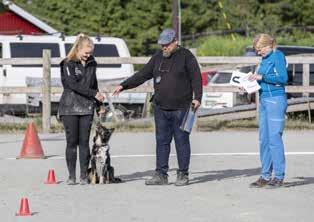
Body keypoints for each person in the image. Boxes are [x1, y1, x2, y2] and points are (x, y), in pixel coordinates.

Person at [113, 28, 202, 186]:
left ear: (175, 42)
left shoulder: (187, 56)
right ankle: (161, 174)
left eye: (167, 44)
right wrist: (123, 85)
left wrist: (197, 98)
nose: (164, 48)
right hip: (161, 107)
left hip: (182, 107)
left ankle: (183, 174)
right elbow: (143, 74)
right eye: (162, 45)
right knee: (161, 141)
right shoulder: (157, 57)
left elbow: (196, 77)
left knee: (181, 140)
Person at [58, 33, 105, 185]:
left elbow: (94, 84)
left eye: (91, 53)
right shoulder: (68, 63)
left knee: (84, 142)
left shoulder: (92, 63)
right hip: (69, 106)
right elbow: (72, 85)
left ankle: (84, 175)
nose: (88, 55)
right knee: (72, 142)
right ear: (78, 49)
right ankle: (72, 176)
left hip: (86, 107)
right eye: (86, 52)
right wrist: (94, 94)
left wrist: (99, 104)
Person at [248, 33, 288, 188]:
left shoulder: (277, 56)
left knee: (274, 138)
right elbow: (260, 78)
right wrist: (248, 83)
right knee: (263, 139)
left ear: (268, 45)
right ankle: (265, 175)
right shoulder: (264, 59)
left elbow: (283, 78)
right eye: (257, 50)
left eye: (260, 49)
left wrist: (262, 77)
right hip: (264, 99)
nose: (258, 52)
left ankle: (279, 176)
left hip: (276, 100)